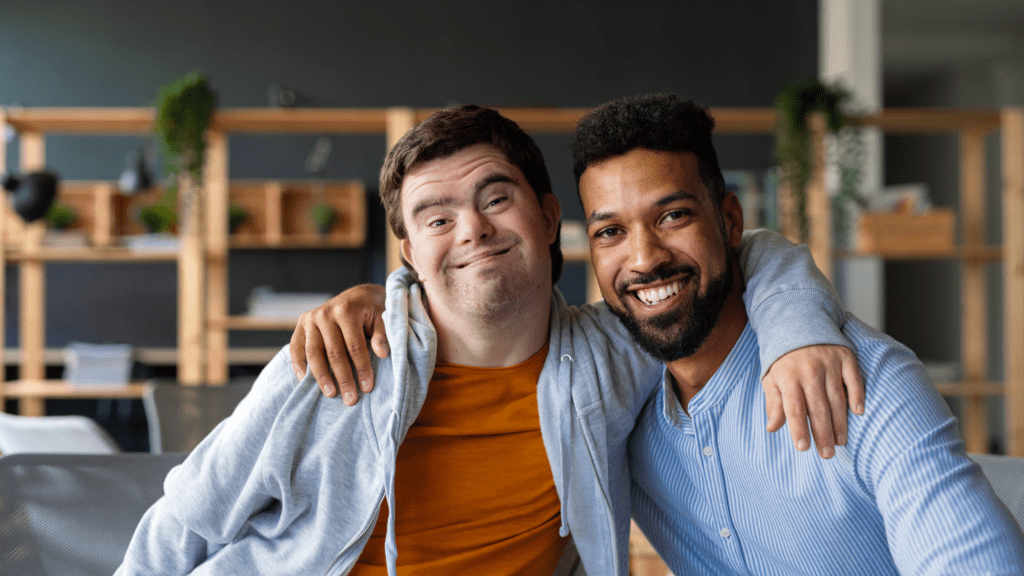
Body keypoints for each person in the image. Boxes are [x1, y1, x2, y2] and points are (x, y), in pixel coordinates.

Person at [118, 104, 859, 576]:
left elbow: (745, 249)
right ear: (409, 251)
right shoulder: (336, 361)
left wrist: (796, 336)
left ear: (545, 215)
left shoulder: (616, 355)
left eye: (494, 198)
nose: (470, 229)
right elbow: (185, 522)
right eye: (436, 217)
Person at [294, 95, 1024, 575]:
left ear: (729, 221)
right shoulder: (618, 393)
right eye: (611, 232)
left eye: (673, 216)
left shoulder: (863, 382)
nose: (642, 259)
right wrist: (385, 298)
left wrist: (799, 326)